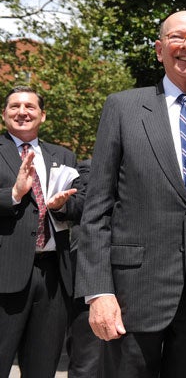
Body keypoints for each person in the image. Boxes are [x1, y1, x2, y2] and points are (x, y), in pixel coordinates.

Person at [75, 11, 186, 378]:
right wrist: (98, 292)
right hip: (131, 295)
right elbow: (96, 209)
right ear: (159, 50)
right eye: (177, 37)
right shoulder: (123, 107)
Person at [0, 86, 84, 377]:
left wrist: (62, 207)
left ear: (43, 115)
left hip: (53, 279)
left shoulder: (63, 156)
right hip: (4, 277)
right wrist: (12, 193)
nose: (22, 112)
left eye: (30, 107)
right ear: (4, 114)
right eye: (14, 107)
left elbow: (82, 206)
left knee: (42, 368)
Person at [66, 158, 105, 378]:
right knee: (87, 364)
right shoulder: (87, 169)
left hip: (139, 283)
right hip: (90, 282)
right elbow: (80, 205)